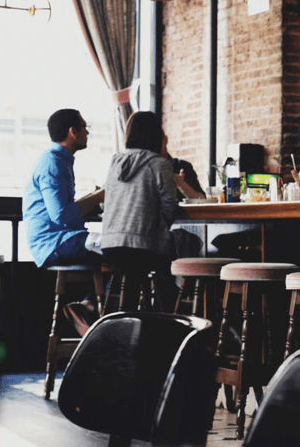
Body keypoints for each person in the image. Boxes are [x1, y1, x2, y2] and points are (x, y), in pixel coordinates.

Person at [99, 111, 201, 312]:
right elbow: (169, 208)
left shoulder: (115, 162)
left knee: (143, 267)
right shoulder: (159, 163)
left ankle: (125, 319)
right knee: (188, 243)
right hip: (143, 248)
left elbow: (105, 204)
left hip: (110, 246)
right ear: (157, 135)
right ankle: (168, 315)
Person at [23, 108, 105, 335]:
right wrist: (97, 198)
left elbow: (63, 210)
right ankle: (91, 309)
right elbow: (60, 215)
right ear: (72, 132)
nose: (87, 132)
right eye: (84, 126)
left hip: (60, 239)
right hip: (54, 242)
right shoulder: (53, 163)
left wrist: (93, 196)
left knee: (115, 248)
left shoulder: (59, 160)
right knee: (118, 249)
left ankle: (88, 306)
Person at [163, 133, 206, 200]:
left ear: (165, 139)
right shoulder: (146, 169)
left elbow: (201, 200)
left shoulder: (183, 166)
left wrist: (181, 184)